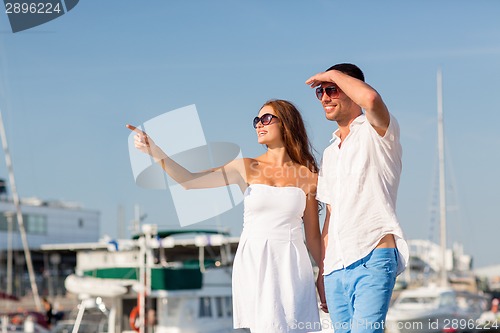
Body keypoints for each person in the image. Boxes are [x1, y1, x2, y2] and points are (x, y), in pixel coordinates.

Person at [127, 99, 324, 332]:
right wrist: (156, 152)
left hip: (292, 260)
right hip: (255, 258)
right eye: (256, 120)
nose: (259, 125)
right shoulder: (246, 166)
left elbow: (313, 237)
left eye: (266, 119)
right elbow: (189, 181)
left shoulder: (308, 175)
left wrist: (323, 274)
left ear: (287, 124)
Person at [305, 63, 409, 333]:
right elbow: (331, 214)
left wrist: (332, 75)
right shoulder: (330, 153)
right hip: (336, 267)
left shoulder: (378, 132)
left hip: (373, 255)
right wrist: (323, 270)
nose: (325, 97)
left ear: (351, 90)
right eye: (321, 92)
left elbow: (371, 99)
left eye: (332, 90)